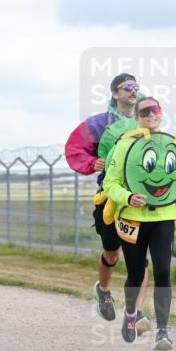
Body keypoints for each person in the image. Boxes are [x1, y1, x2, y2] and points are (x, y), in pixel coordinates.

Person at [103, 97, 176, 350]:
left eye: (153, 110)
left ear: (161, 112)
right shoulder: (124, 146)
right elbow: (109, 184)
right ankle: (131, 315)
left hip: (163, 217)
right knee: (135, 273)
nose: (149, 115)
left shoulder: (172, 143)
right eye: (144, 112)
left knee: (163, 272)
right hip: (132, 218)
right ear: (137, 117)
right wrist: (128, 197)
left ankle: (163, 331)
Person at [64, 73, 150, 332]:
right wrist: (93, 163)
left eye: (136, 87)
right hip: (110, 199)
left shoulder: (146, 120)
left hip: (139, 200)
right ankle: (103, 290)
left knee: (140, 260)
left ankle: (135, 315)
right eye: (127, 88)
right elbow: (74, 149)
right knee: (112, 253)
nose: (133, 91)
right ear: (115, 94)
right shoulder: (100, 124)